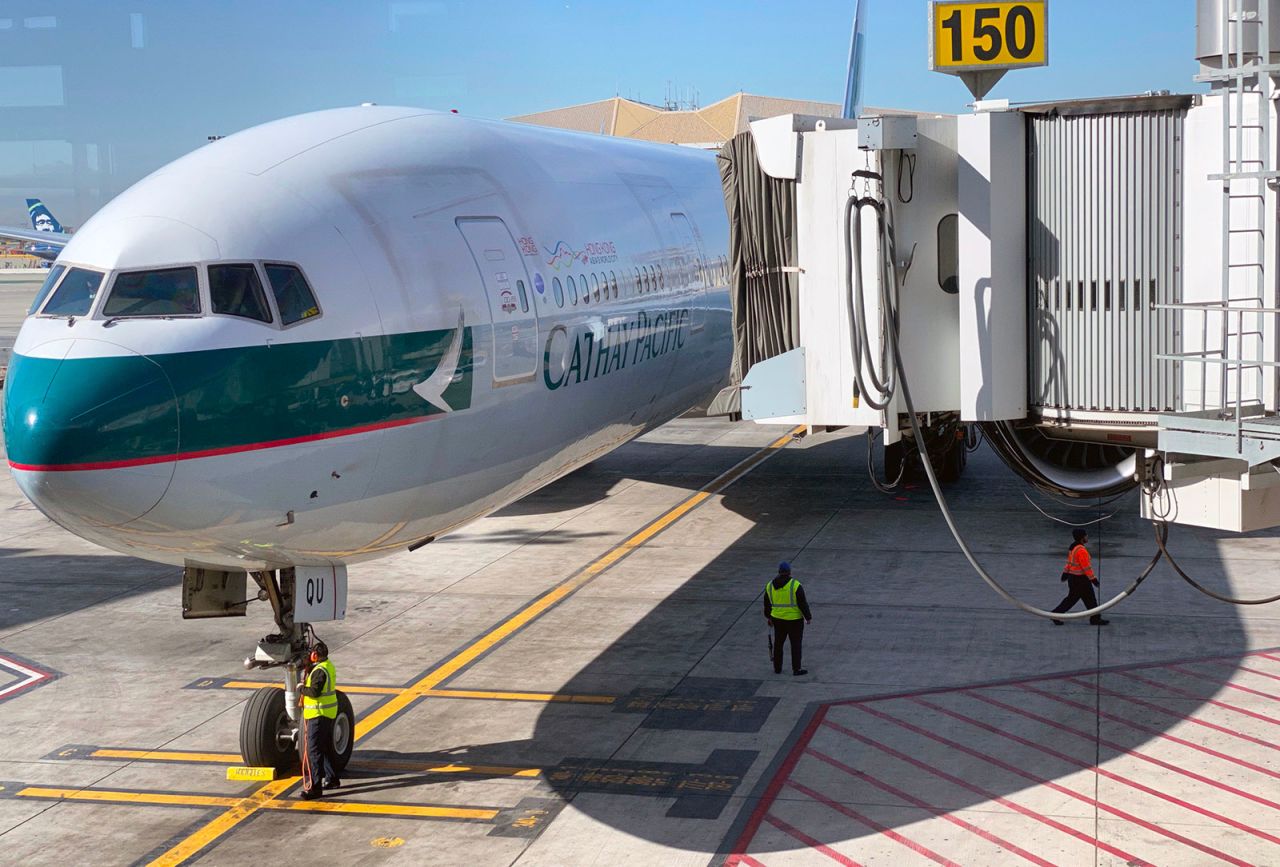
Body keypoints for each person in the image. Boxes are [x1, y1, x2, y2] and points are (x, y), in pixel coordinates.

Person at [298, 640, 341, 799]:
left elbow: (314, 692)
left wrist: (301, 689)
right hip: (328, 713)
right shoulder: (328, 665)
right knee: (325, 747)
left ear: (315, 655)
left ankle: (315, 788)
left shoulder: (319, 671)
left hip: (318, 714)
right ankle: (332, 778)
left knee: (313, 750)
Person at [1051, 529, 1110, 626]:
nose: (1087, 537)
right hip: (1080, 580)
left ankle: (1095, 618)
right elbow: (1086, 567)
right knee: (1082, 599)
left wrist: (1065, 573)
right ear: (1082, 538)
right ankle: (1056, 614)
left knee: (1086, 599)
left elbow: (1070, 562)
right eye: (1086, 535)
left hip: (1073, 579)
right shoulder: (1081, 550)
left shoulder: (1073, 547)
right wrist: (1093, 579)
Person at [763, 562, 812, 675]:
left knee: (778, 644)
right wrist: (808, 617)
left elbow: (767, 604)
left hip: (777, 619)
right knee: (795, 644)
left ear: (779, 572)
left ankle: (777, 668)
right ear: (789, 572)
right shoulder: (795, 585)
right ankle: (796, 669)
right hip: (794, 620)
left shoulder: (769, 585)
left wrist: (769, 617)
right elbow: (802, 603)